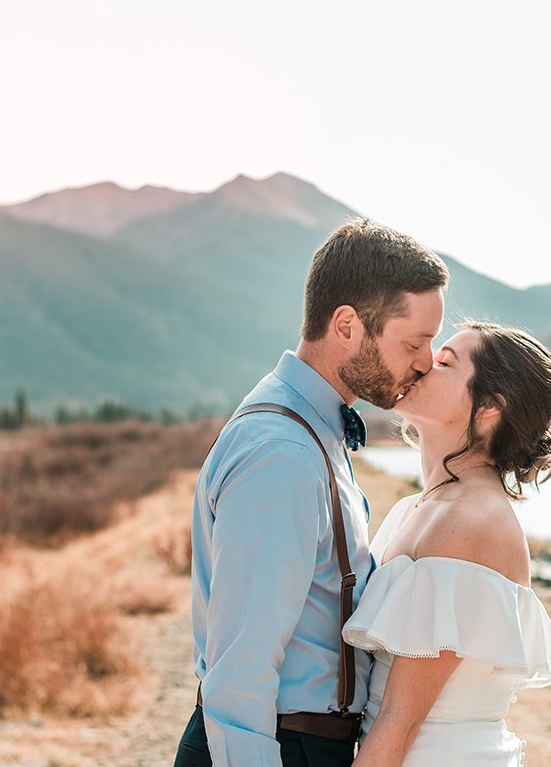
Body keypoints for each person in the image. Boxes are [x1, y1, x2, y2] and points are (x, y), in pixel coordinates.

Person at [173, 218, 450, 767]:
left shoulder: (312, 429)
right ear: (346, 325)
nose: (426, 361)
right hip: (275, 745)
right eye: (415, 342)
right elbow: (241, 669)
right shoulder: (283, 451)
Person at [341, 321, 551, 767]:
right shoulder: (415, 508)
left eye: (444, 362)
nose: (423, 364)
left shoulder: (469, 523)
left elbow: (399, 721)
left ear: (489, 407)